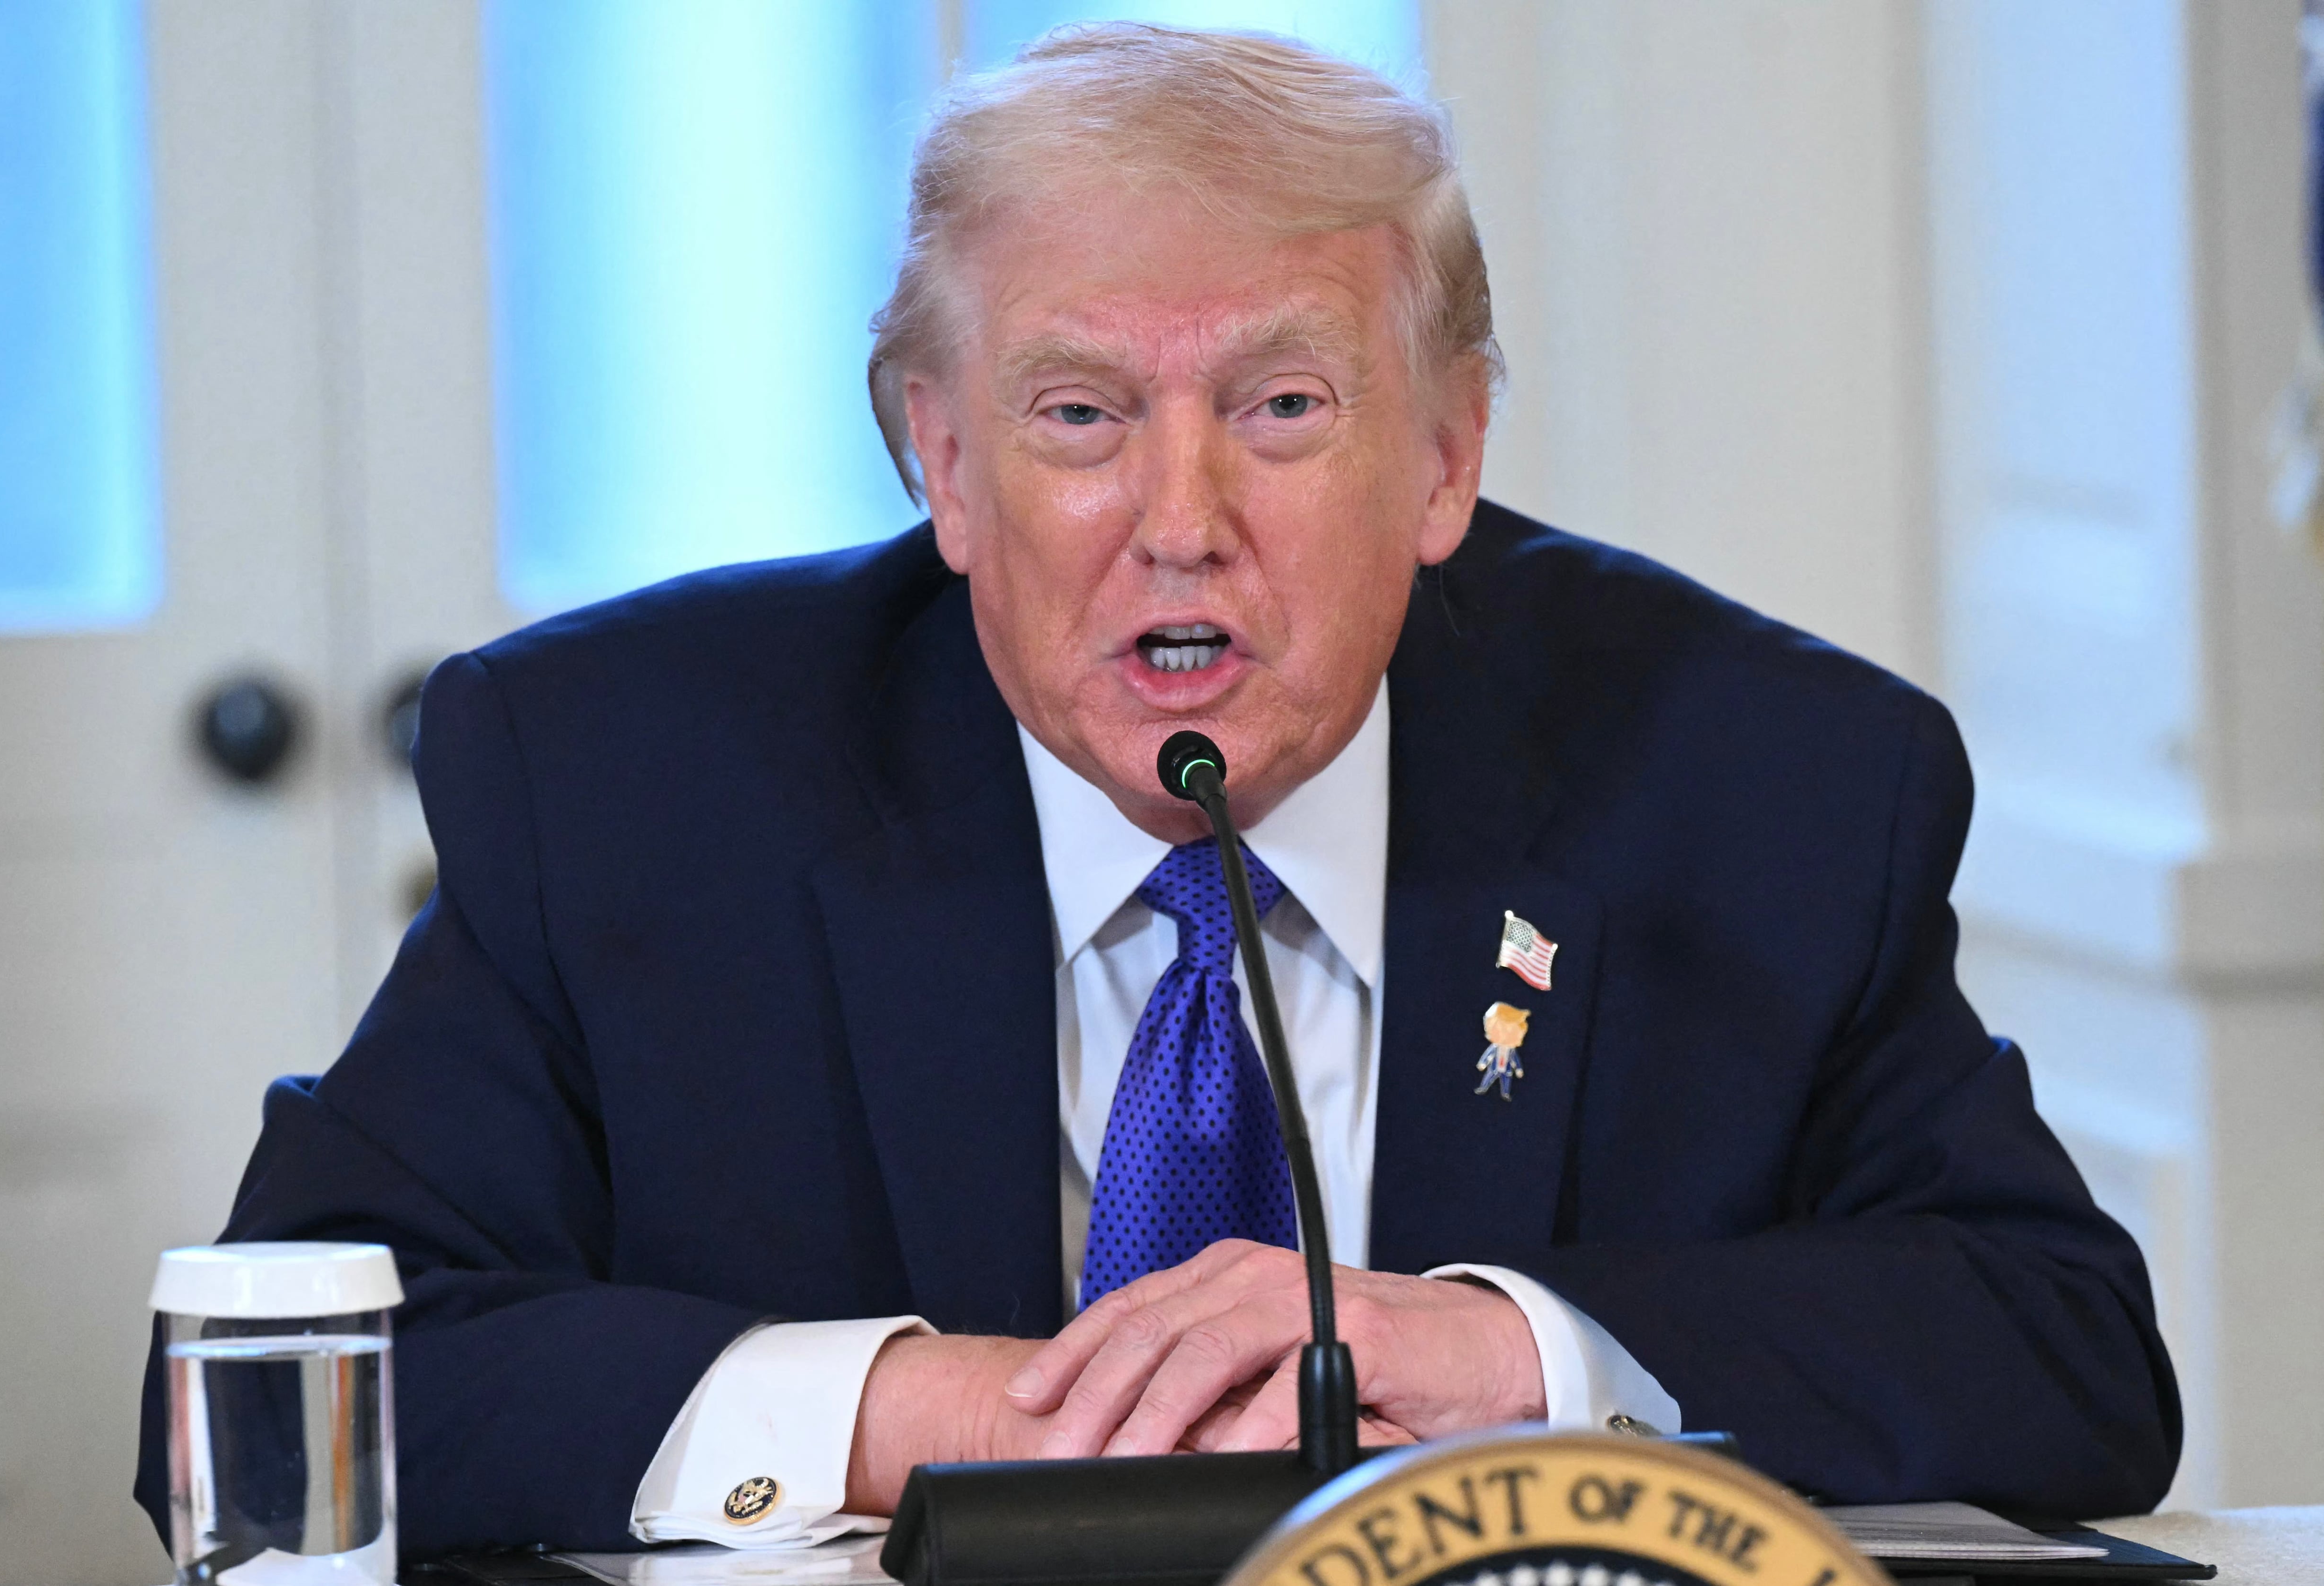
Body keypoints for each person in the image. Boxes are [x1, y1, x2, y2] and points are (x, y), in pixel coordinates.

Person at [135, 24, 2179, 1560]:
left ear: (1447, 455)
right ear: (941, 462)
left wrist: (1502, 1356)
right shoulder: (625, 782)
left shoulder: (1761, 782)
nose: (1179, 518)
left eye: (1282, 407)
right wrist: (919, 1415)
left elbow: (2060, 1346)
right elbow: (261, 1408)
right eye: (1078, 415)